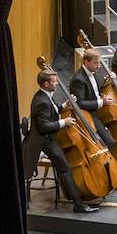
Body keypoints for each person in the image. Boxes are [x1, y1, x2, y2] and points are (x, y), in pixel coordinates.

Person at [25, 70, 99, 212]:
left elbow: (53, 110)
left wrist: (64, 106)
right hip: (43, 141)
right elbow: (43, 126)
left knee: (64, 167)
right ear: (46, 84)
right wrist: (64, 122)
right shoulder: (41, 101)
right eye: (54, 81)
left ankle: (74, 198)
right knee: (65, 168)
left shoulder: (45, 96)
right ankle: (79, 204)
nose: (57, 83)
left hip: (50, 138)